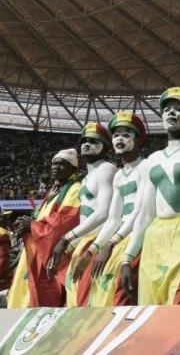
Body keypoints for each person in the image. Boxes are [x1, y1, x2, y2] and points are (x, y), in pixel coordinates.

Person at [120, 87, 180, 304]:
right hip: (155, 238)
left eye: (179, 109)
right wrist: (128, 257)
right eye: (167, 109)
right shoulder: (152, 160)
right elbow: (146, 214)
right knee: (151, 309)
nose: (172, 113)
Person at [70, 112, 148, 306]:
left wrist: (110, 244)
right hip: (122, 236)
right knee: (100, 286)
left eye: (126, 135)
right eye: (116, 135)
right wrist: (92, 252)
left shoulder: (147, 166)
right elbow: (113, 219)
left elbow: (140, 211)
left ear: (137, 140)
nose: (119, 139)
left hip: (142, 236)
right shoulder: (120, 176)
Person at [49, 123, 116, 307]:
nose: (87, 144)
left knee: (92, 302)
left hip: (99, 243)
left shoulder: (106, 169)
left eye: (94, 141)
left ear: (105, 147)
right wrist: (69, 247)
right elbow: (86, 218)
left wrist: (66, 239)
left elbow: (103, 213)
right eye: (84, 141)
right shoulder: (86, 178)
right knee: (76, 300)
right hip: (84, 243)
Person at [7, 149, 81, 307]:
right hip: (36, 246)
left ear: (73, 168)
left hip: (50, 252)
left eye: (62, 164)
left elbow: (65, 221)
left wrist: (32, 226)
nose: (56, 167)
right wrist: (27, 223)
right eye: (54, 163)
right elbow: (41, 217)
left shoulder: (75, 188)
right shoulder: (55, 189)